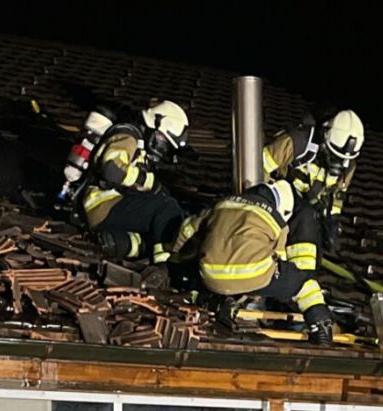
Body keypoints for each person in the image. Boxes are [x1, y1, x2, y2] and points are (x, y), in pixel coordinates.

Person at [173, 179, 335, 345]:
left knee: (206, 258)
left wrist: (174, 257)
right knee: (303, 283)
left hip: (210, 277)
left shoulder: (222, 204)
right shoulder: (276, 219)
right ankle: (321, 326)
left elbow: (187, 229)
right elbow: (279, 259)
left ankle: (219, 300)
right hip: (255, 275)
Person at [81, 100, 189, 263]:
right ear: (154, 125)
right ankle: (166, 264)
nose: (162, 147)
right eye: (162, 139)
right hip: (105, 204)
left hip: (104, 211)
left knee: (155, 230)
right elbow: (112, 169)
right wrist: (149, 182)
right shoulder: (128, 136)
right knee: (167, 208)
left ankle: (114, 243)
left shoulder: (140, 145)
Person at [263, 109, 365, 255]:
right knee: (305, 218)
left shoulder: (348, 166)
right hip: (278, 200)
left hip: (307, 207)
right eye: (334, 155)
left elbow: (336, 196)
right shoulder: (298, 141)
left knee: (313, 231)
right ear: (325, 139)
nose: (339, 163)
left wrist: (332, 223)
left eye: (343, 159)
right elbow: (260, 167)